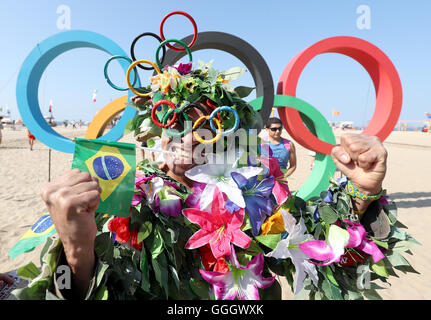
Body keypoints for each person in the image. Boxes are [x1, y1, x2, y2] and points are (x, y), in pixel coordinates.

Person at [11, 61, 413, 301]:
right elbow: (82, 292)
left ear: (227, 135)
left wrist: (364, 191)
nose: (189, 138)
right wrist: (77, 248)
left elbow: (338, 260)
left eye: (207, 126)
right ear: (156, 132)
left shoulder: (260, 196)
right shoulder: (117, 197)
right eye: (176, 122)